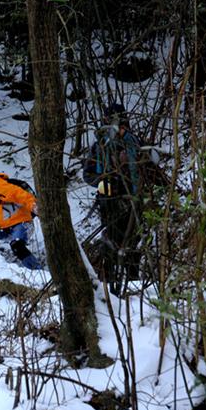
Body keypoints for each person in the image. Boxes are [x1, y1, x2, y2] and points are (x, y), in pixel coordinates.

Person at [83, 103, 142, 280]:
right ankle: (109, 281)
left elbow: (146, 169)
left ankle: (133, 280)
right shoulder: (100, 147)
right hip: (109, 201)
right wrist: (103, 181)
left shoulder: (135, 143)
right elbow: (88, 174)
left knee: (133, 240)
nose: (119, 129)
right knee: (111, 241)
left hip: (134, 199)